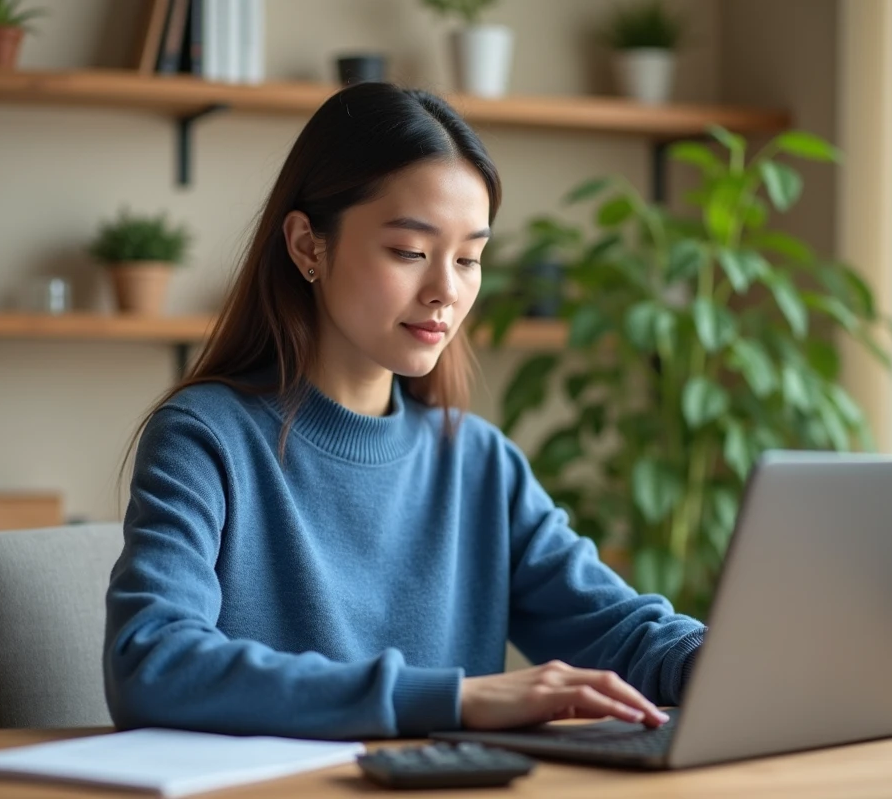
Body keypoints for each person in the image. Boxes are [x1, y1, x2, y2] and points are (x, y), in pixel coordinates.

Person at [103, 82, 706, 741]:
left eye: (470, 258)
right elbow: (152, 662)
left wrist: (728, 664)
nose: (446, 290)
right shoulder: (205, 437)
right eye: (410, 252)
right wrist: (454, 699)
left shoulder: (480, 463)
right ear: (308, 245)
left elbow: (621, 633)